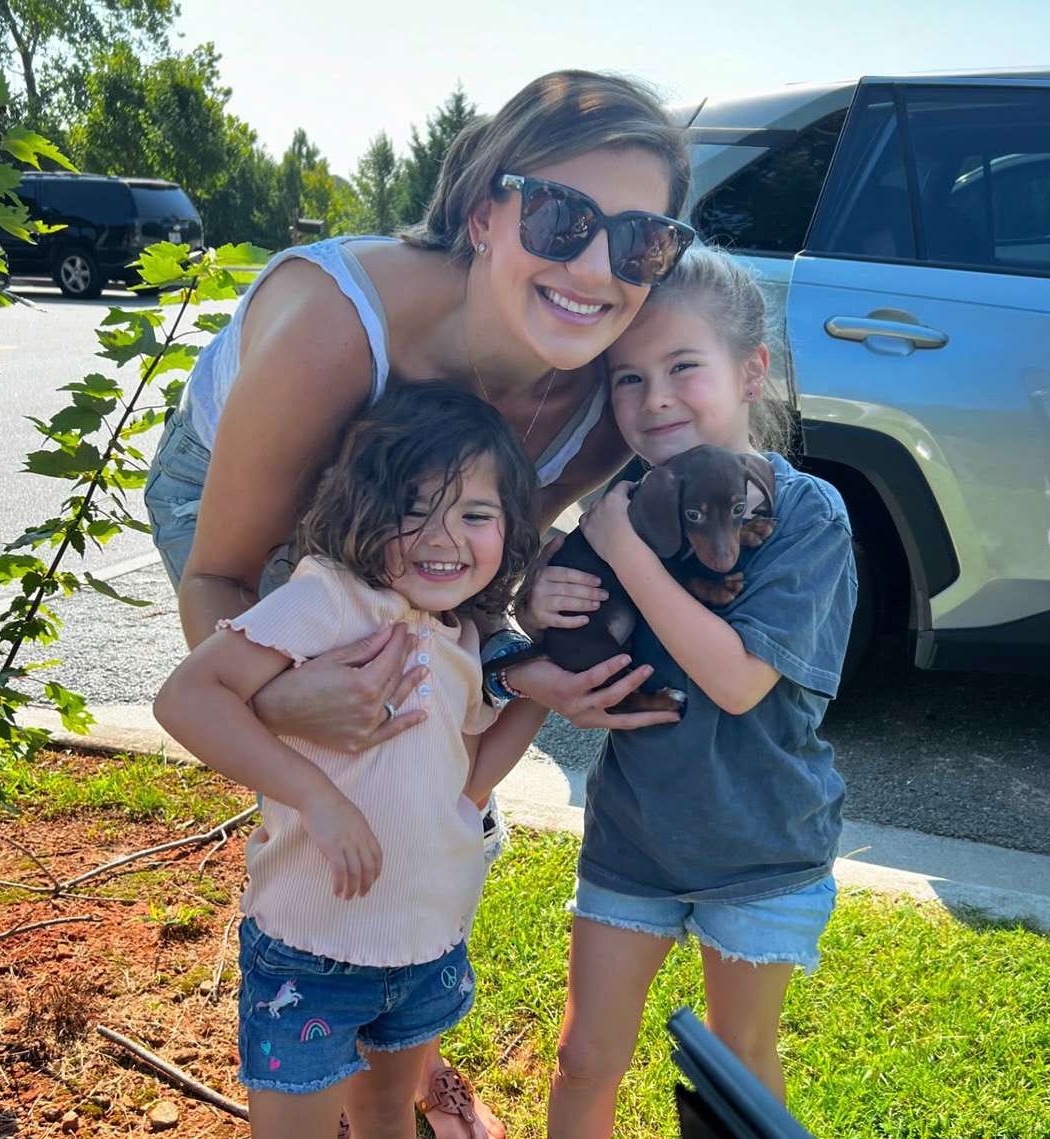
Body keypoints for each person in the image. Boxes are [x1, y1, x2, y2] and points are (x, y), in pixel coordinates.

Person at [143, 68, 694, 1137]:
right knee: (333, 744)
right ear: (486, 210)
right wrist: (279, 703)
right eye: (563, 217)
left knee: (426, 770)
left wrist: (528, 670)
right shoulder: (331, 324)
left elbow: (484, 585)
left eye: (640, 239)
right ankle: (315, 1036)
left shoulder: (606, 388)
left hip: (426, 506)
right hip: (251, 495)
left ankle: (402, 1055)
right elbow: (221, 574)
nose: (596, 267)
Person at [516, 247, 857, 1138]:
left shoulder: (805, 512)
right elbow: (554, 622)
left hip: (761, 843)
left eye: (681, 368)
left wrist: (625, 546)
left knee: (736, 1065)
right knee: (586, 1055)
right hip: (635, 835)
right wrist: (536, 599)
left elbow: (739, 680)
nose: (653, 398)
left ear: (752, 371)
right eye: (627, 377)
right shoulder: (622, 501)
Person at [154, 385, 550, 1139]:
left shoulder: (459, 631)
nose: (444, 537)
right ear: (361, 508)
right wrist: (319, 797)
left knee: (388, 1123)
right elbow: (187, 697)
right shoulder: (330, 600)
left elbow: (474, 772)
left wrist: (542, 685)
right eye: (413, 507)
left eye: (475, 514)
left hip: (425, 947)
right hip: (311, 957)